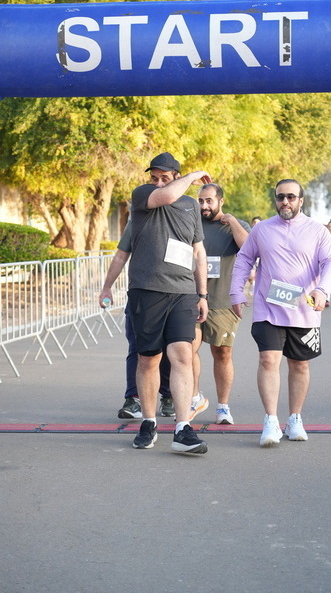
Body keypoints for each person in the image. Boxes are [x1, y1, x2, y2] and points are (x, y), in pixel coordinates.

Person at [230, 178, 331, 447]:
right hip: (268, 307)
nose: (285, 202)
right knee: (268, 360)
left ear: (301, 200)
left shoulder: (317, 231)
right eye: (280, 197)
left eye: (290, 197)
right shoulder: (262, 229)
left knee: (299, 364)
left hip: (304, 309)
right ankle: (270, 420)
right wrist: (236, 291)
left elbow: (329, 262)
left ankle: (294, 418)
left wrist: (322, 290)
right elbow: (244, 258)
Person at [127, 152, 211, 454]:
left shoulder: (190, 206)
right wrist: (193, 176)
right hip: (147, 290)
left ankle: (182, 428)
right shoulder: (143, 195)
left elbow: (198, 252)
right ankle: (148, 423)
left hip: (183, 292)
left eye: (165, 177)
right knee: (148, 359)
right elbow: (166, 196)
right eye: (155, 177)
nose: (158, 182)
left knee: (183, 355)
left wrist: (202, 295)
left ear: (175, 175)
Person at [98, 223, 174, 420]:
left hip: (173, 296)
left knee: (169, 349)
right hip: (140, 296)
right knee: (138, 348)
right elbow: (120, 256)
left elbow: (196, 256)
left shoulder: (181, 218)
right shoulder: (137, 222)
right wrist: (107, 287)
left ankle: (168, 396)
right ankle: (134, 399)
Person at [191, 183, 250, 425]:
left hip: (222, 301)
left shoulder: (235, 226)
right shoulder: (192, 223)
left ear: (220, 201)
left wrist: (233, 221)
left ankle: (223, 407)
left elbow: (249, 247)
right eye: (201, 201)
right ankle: (194, 397)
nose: (204, 205)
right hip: (191, 298)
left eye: (209, 201)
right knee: (187, 349)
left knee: (222, 353)